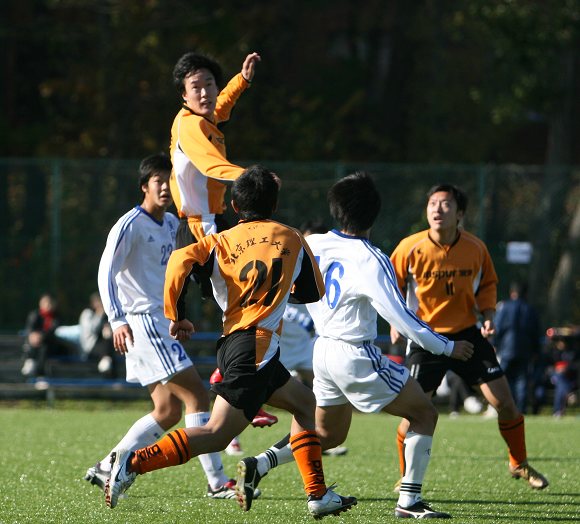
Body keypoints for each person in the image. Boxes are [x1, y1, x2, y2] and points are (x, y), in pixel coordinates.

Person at [103, 165, 358, 520]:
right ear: (274, 204)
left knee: (305, 404)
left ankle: (318, 494)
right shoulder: (292, 237)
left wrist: (177, 314)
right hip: (255, 347)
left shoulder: (220, 241)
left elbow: (179, 260)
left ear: (235, 207)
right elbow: (313, 292)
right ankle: (133, 462)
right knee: (215, 434)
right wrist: (278, 292)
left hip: (238, 344)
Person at [236, 172, 475, 519]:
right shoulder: (370, 258)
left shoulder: (313, 243)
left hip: (323, 351)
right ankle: (409, 501)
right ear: (374, 214)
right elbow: (403, 318)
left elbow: (286, 284)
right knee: (424, 414)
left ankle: (260, 463)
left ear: (335, 209)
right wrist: (447, 347)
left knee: (328, 434)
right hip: (355, 354)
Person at [86, 154, 239, 500]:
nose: (166, 187)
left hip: (160, 322)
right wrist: (116, 320)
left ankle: (107, 465)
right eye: (158, 181)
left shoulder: (172, 223)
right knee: (196, 395)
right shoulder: (130, 224)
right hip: (143, 321)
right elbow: (106, 271)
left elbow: (183, 270)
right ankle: (217, 482)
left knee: (167, 411)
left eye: (170, 181)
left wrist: (180, 312)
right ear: (144, 186)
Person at [390, 183, 548, 490]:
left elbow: (487, 285)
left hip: (467, 336)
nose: (437, 209)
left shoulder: (476, 247)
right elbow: (391, 287)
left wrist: (488, 316)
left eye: (445, 204)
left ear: (460, 213)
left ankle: (518, 463)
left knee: (505, 403)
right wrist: (397, 322)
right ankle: (406, 476)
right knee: (414, 412)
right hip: (425, 338)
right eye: (432, 203)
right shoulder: (409, 247)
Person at [170, 50, 277, 428]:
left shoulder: (205, 118)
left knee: (242, 308)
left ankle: (237, 382)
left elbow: (221, 107)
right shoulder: (191, 126)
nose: (204, 92)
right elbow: (210, 164)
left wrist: (241, 81)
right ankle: (237, 383)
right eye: (195, 87)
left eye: (209, 84)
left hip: (212, 224)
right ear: (183, 95)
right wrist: (253, 178)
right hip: (202, 228)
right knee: (241, 310)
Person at [494, 281, 541, 414]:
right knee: (522, 380)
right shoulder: (530, 309)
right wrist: (536, 350)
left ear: (512, 292)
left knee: (502, 379)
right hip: (525, 349)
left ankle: (504, 406)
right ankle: (521, 408)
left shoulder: (504, 307)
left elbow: (498, 327)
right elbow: (535, 332)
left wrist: (495, 344)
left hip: (507, 348)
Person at [21, 293, 76, 378]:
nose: (48, 305)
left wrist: (41, 336)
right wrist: (33, 336)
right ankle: (30, 362)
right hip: (35, 344)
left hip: (51, 345)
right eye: (45, 302)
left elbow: (54, 331)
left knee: (44, 348)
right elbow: (30, 329)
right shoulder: (35, 315)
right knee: (34, 345)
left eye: (50, 302)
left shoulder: (57, 317)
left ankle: (40, 374)